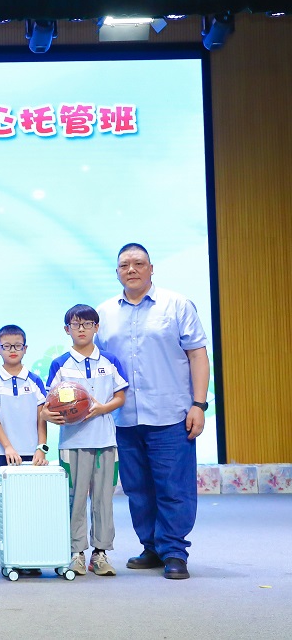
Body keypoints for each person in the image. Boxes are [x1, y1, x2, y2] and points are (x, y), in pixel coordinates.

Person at [95, 243, 210, 580]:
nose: (131, 269)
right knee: (137, 489)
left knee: (174, 487)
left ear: (151, 268)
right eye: (124, 265)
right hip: (124, 417)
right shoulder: (104, 313)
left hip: (171, 414)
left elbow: (197, 355)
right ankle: (152, 547)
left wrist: (199, 404)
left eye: (138, 263)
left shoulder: (177, 305)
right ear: (117, 272)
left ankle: (174, 551)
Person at [42, 305, 128, 577]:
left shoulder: (110, 360)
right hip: (72, 442)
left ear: (96, 327)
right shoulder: (60, 363)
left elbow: (120, 396)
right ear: (66, 329)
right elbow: (48, 404)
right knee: (75, 499)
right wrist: (47, 414)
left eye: (87, 324)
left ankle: (100, 553)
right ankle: (76, 552)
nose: (82, 329)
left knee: (103, 499)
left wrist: (103, 408)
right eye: (76, 324)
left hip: (105, 441)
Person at [0, 325, 49, 506]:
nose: (13, 350)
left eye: (18, 345)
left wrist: (41, 449)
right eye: (7, 346)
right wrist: (8, 447)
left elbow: (41, 417)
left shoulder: (35, 380)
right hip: (3, 453)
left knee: (31, 503)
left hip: (32, 454)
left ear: (25, 348)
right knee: (4, 505)